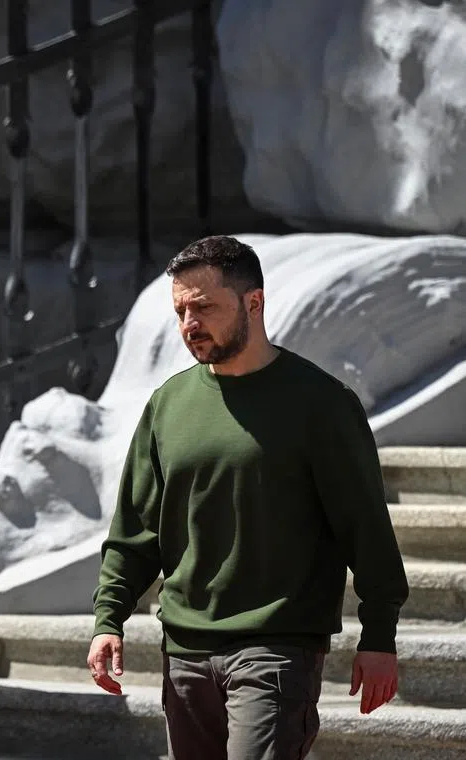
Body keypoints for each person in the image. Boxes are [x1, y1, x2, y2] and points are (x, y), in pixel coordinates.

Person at [87, 235, 410, 760]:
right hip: (185, 654)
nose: (189, 323)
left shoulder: (322, 404)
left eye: (204, 306)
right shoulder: (168, 405)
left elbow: (365, 526)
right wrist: (109, 619)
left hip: (276, 650)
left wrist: (379, 635)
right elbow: (135, 530)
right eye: (181, 310)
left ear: (253, 302)